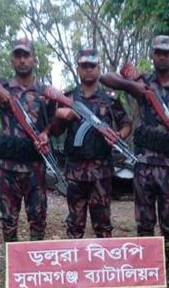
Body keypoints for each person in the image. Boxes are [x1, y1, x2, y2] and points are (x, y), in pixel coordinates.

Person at [100, 35, 169, 288]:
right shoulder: (142, 82)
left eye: (166, 52)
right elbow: (106, 78)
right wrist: (132, 87)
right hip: (143, 162)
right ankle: (145, 270)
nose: (162, 56)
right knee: (144, 222)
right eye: (158, 52)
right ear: (152, 54)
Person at [0, 39, 55, 242]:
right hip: (7, 166)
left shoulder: (45, 92)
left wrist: (46, 133)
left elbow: (52, 121)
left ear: (34, 59)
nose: (22, 60)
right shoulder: (3, 87)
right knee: (8, 219)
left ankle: (36, 266)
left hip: (35, 166)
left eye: (26, 56)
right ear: (12, 60)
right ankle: (13, 267)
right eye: (18, 56)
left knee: (38, 218)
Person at [50, 48, 131, 239]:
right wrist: (60, 115)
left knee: (103, 225)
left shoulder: (109, 99)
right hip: (75, 171)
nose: (88, 69)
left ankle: (103, 266)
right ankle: (75, 267)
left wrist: (117, 136)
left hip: (101, 171)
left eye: (92, 65)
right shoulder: (67, 97)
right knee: (74, 225)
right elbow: (55, 131)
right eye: (84, 65)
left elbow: (126, 124)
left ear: (98, 68)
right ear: (78, 68)